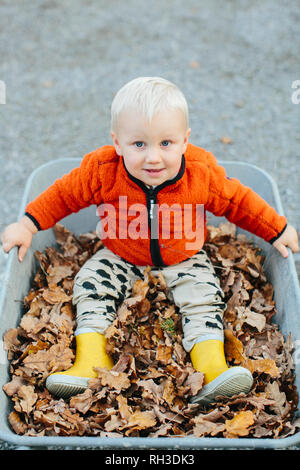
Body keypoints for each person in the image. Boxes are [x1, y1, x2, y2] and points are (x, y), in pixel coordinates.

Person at [1, 77, 299, 405]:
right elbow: (63, 195)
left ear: (185, 141)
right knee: (90, 286)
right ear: (117, 142)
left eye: (166, 143)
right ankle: (90, 361)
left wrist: (277, 228)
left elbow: (238, 201)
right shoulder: (103, 171)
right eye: (139, 144)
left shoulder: (200, 174)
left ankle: (213, 369)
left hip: (184, 256)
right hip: (121, 254)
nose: (153, 158)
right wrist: (28, 225)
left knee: (204, 295)